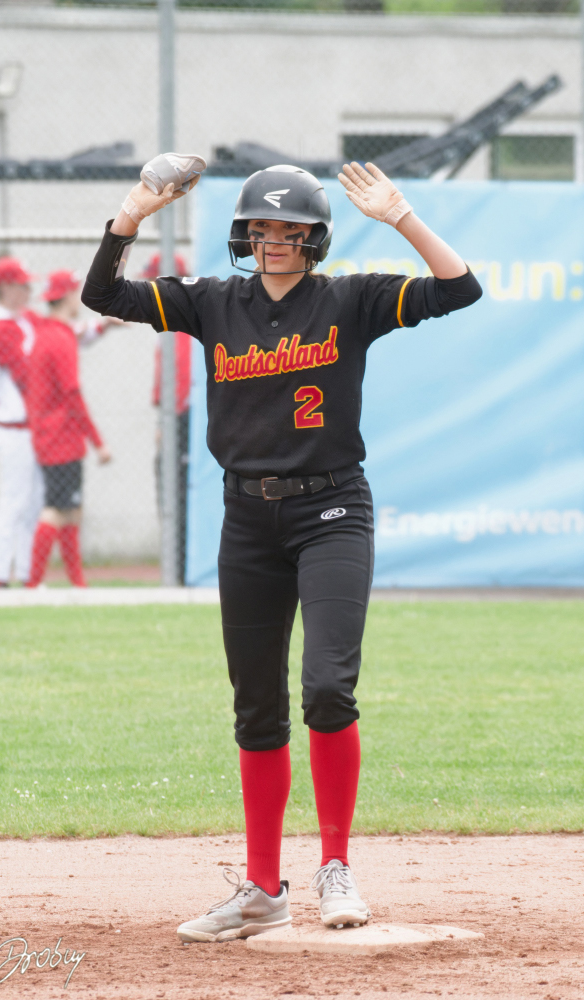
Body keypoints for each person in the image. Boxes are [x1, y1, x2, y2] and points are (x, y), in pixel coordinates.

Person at [81, 157, 482, 941]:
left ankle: (335, 867)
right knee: (255, 706)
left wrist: (399, 216)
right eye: (260, 228)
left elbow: (458, 288)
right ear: (243, 236)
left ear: (314, 239)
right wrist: (131, 213)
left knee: (327, 687)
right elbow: (104, 295)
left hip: (331, 511)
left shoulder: (349, 299)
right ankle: (263, 890)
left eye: (289, 230)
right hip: (245, 521)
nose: (273, 241)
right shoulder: (212, 302)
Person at [27, 270, 112, 588]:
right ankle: (33, 584)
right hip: (61, 438)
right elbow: (72, 394)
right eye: (76, 292)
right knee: (58, 510)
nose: (80, 298)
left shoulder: (47, 333)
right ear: (67, 297)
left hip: (49, 436)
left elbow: (80, 331)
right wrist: (98, 442)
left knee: (72, 510)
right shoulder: (60, 339)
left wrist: (104, 326)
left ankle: (77, 584)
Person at [0, 257, 44, 587]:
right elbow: (25, 372)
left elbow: (60, 334)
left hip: (33, 426)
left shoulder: (25, 319)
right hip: (14, 428)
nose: (28, 291)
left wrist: (99, 328)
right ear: (5, 288)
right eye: (21, 285)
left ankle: (27, 573)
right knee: (14, 501)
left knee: (33, 505)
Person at [142, 252, 193, 582]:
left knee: (177, 491)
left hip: (183, 419)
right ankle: (177, 566)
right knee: (171, 487)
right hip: (176, 417)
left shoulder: (182, 322)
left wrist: (169, 420)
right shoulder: (170, 321)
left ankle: (180, 568)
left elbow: (182, 380)